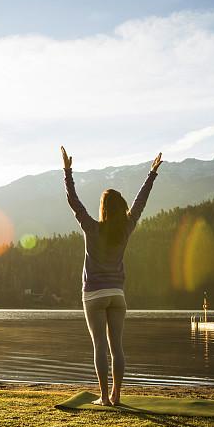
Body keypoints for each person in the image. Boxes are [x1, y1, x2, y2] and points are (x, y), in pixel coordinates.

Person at [60, 146, 162, 406]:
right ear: (120, 209)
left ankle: (104, 397)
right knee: (117, 347)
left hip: (93, 294)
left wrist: (67, 171)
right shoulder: (126, 228)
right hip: (117, 295)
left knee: (100, 347)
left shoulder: (91, 228)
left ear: (103, 208)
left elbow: (74, 202)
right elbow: (140, 203)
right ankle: (117, 395)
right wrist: (151, 174)